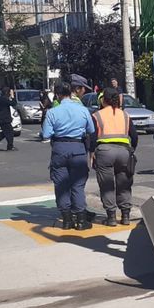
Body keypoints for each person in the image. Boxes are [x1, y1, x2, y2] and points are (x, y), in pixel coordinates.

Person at [41, 80, 96, 231]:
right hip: (77, 147)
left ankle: (66, 220)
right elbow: (90, 129)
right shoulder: (83, 110)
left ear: (57, 95)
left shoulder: (52, 112)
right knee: (77, 185)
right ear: (71, 93)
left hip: (59, 148)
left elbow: (46, 134)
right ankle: (81, 220)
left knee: (61, 184)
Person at [89, 88, 139, 227]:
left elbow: (92, 138)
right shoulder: (125, 115)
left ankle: (111, 217)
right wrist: (131, 150)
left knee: (107, 186)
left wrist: (92, 153)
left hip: (104, 152)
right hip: (124, 151)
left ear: (103, 100)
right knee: (124, 185)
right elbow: (134, 136)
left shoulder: (97, 115)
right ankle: (125, 216)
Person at [0, 87, 18, 152]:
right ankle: (9, 146)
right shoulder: (3, 99)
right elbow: (14, 103)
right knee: (9, 132)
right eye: (9, 92)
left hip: (3, 118)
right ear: (7, 92)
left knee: (6, 132)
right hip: (3, 119)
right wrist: (12, 96)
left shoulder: (2, 98)